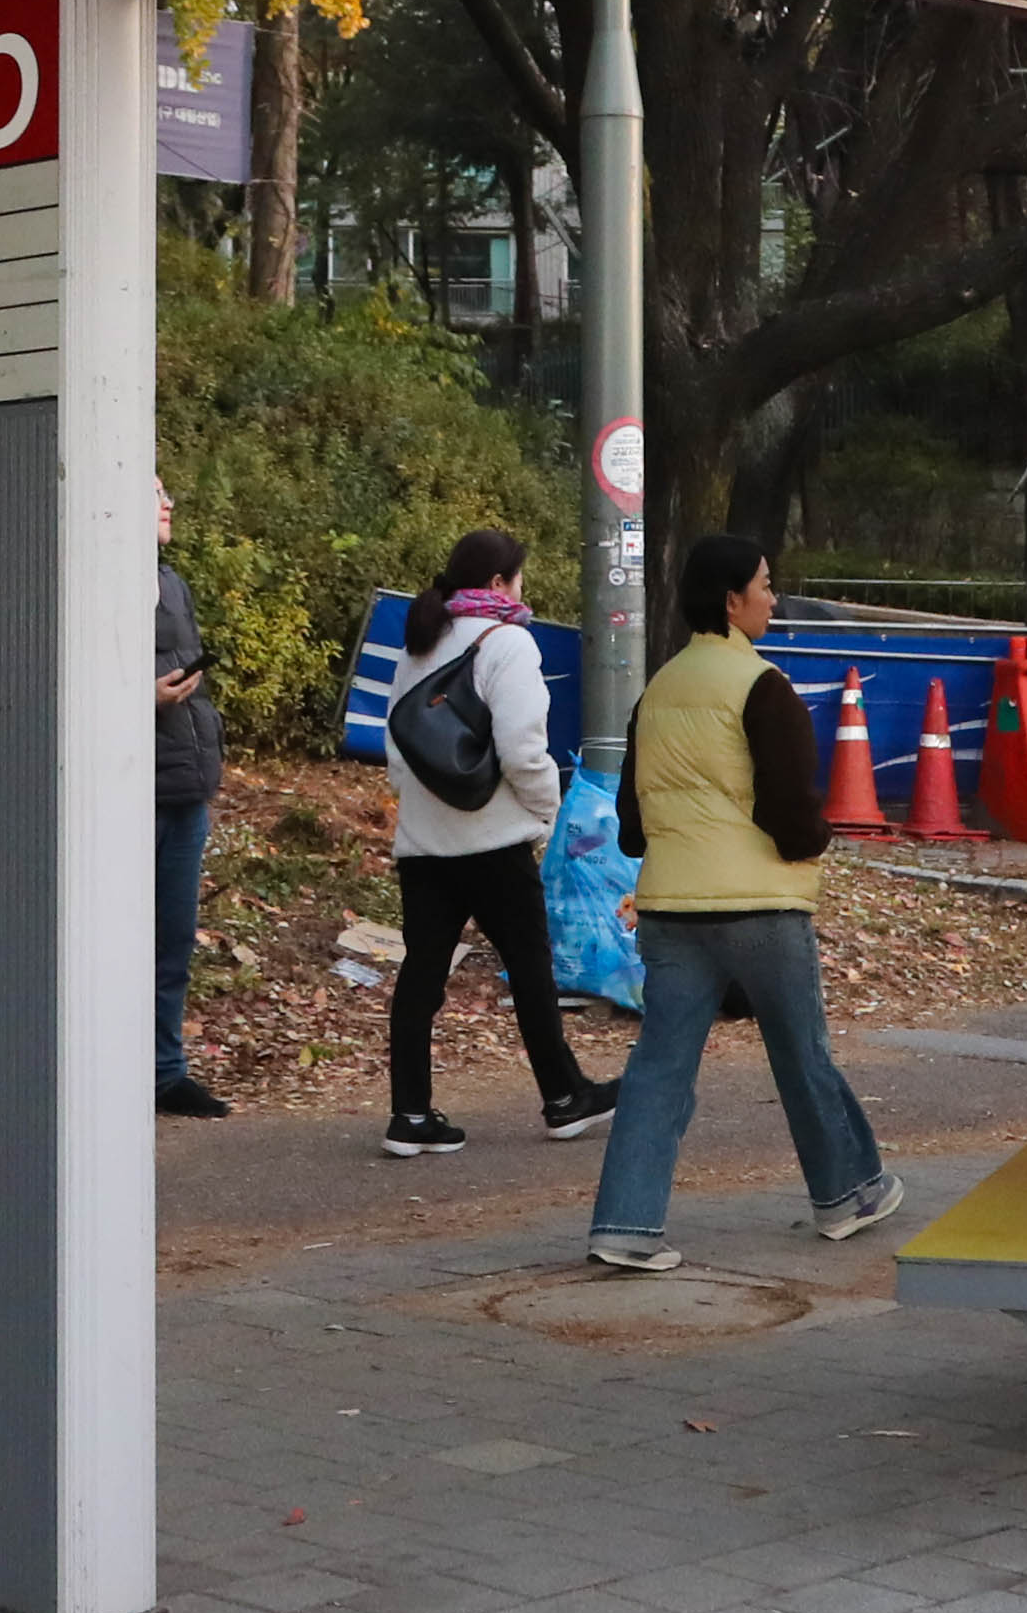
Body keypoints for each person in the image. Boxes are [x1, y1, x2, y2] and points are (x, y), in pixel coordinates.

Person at [588, 533, 904, 1269]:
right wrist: (814, 844)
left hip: (669, 911)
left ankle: (624, 1226)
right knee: (802, 1054)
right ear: (732, 600)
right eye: (764, 584)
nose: (773, 596)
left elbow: (632, 829)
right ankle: (848, 1191)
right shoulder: (763, 687)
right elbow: (793, 815)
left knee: (658, 1067)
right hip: (759, 906)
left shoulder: (655, 691)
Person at [382, 526, 612, 1155]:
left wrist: (429, 809)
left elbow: (396, 748)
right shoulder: (508, 643)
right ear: (496, 584)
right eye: (519, 578)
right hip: (495, 844)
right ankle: (564, 1097)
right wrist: (545, 810)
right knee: (532, 970)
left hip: (424, 846)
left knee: (422, 974)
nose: (522, 589)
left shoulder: (420, 641)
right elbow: (523, 750)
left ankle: (410, 1115)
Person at [152, 478, 232, 1120]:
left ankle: (163, 1071)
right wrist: (142, 696)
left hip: (186, 787)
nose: (169, 502)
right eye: (153, 493)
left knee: (173, 938)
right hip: (133, 791)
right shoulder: (88, 579)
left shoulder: (172, 582)